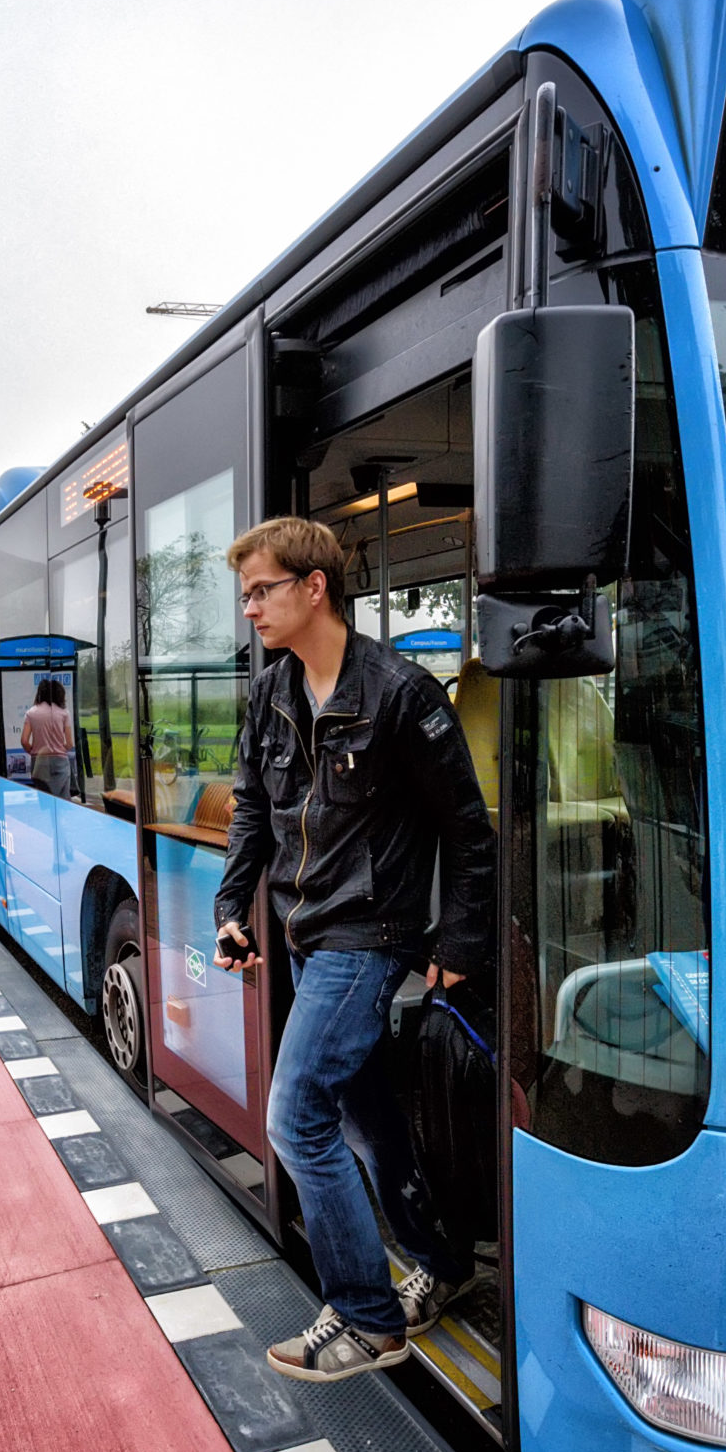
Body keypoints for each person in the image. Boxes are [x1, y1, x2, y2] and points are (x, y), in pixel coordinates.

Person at [213, 516, 494, 1384]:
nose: (250, 606)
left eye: (262, 589)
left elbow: (470, 833)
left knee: (295, 1113)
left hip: (369, 936)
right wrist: (233, 907)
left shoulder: (403, 694)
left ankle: (369, 1317)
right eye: (247, 592)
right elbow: (254, 811)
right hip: (304, 932)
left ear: (313, 587)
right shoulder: (272, 692)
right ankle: (441, 1263)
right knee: (365, 1121)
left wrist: (458, 940)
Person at [21, 677, 74, 798]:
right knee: (63, 800)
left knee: (45, 799)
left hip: (39, 761)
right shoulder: (64, 712)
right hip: (60, 760)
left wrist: (33, 751)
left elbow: (24, 740)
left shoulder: (31, 713)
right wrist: (59, 750)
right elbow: (69, 743)